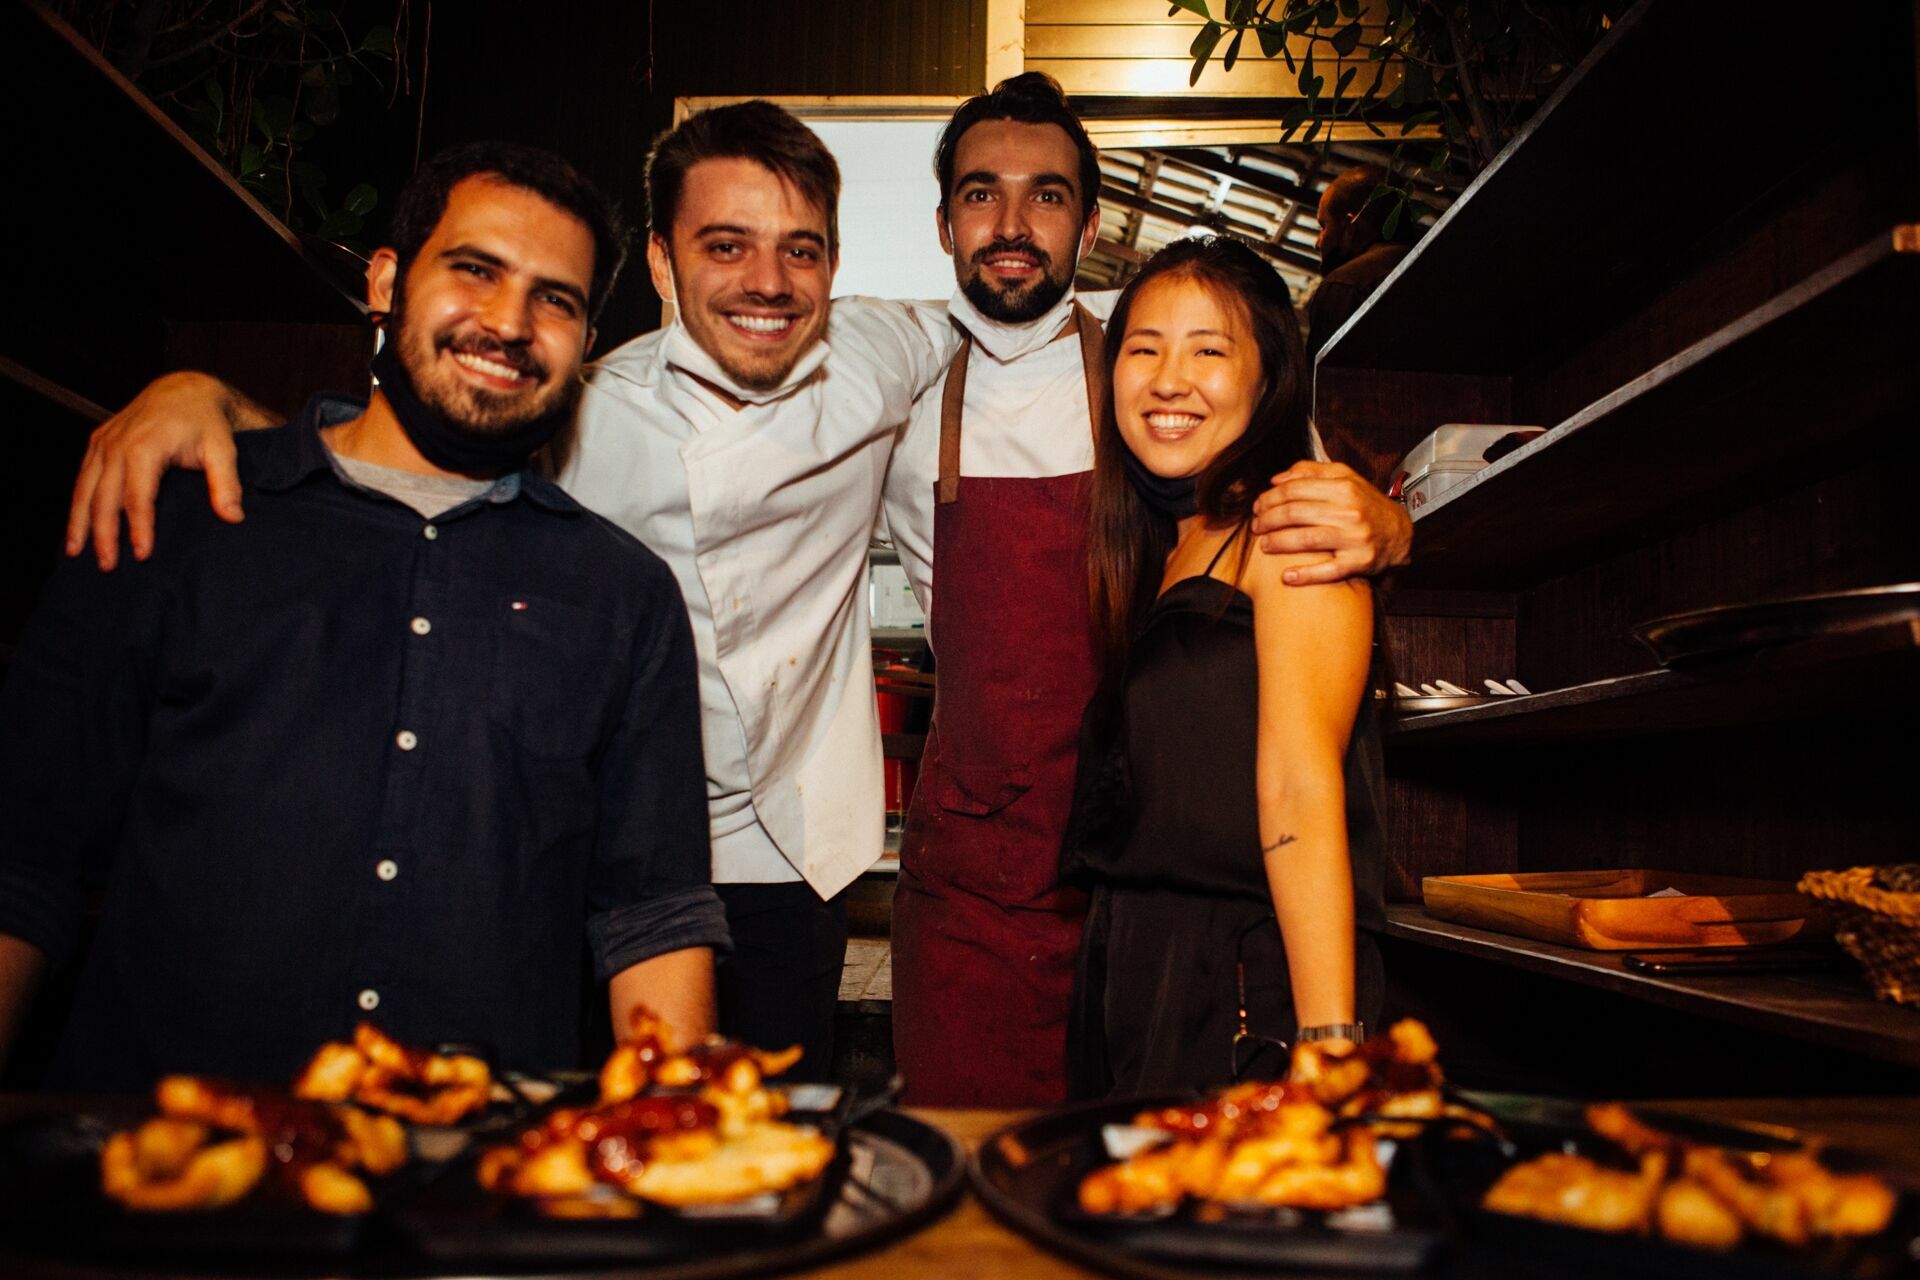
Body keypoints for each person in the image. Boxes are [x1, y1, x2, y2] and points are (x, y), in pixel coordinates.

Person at [61, 94, 1412, 1094]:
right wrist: (214, 405)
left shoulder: (945, 358)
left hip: (815, 861)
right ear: (657, 264)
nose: (768, 284)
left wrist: (1388, 519)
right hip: (607, 854)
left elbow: (1263, 477)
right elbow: (407, 451)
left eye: (801, 251)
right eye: (724, 246)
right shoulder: (585, 397)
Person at [0, 141, 728, 1088]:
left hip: (482, 1164)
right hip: (164, 1156)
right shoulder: (183, 515)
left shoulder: (623, 596)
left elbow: (653, 919)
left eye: (555, 299)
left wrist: (681, 1141)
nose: (510, 322)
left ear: (585, 341)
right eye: (475, 270)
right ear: (386, 283)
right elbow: (26, 858)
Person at [882, 74, 1407, 1106]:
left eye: (1048, 194)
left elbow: (1317, 530)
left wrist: (1394, 528)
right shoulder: (889, 391)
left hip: (1151, 910)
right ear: (944, 223)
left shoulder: (1157, 375)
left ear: (1089, 224)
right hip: (973, 902)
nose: (1013, 223)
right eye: (982, 194)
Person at [1066, 235, 1386, 1097]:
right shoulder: (1166, 547)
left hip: (1245, 987)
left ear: (1268, 378)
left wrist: (1329, 1041)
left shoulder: (1290, 531)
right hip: (1140, 974)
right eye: (1144, 350)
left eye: (1208, 351)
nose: (1169, 380)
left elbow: (1300, 789)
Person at [1304, 164, 1412, 361]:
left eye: (1323, 226)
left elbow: (1324, 376)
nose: (1317, 243)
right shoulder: (1438, 269)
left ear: (1349, 227)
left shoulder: (1344, 287)